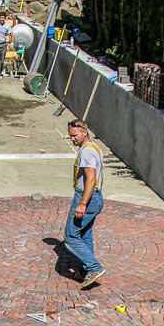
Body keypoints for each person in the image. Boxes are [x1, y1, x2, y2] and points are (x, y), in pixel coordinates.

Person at [64, 119, 106, 289]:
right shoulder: (94, 147)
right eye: (70, 136)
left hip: (87, 197)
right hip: (95, 197)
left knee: (71, 236)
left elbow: (90, 179)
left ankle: (94, 268)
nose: (72, 139)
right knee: (85, 234)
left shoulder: (87, 152)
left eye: (74, 135)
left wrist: (82, 204)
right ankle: (84, 271)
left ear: (84, 132)